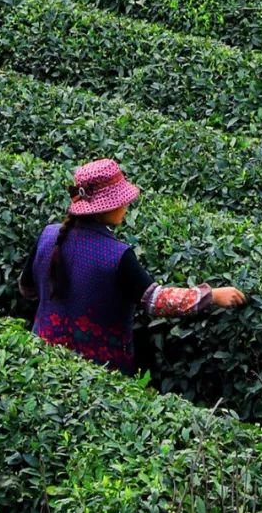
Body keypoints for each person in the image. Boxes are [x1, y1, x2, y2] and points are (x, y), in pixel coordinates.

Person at [18, 158, 245, 374]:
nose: (127, 204)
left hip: (43, 355)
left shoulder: (48, 235)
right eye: (122, 200)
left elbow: (27, 289)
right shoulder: (117, 255)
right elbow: (157, 301)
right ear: (106, 207)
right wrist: (211, 295)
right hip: (98, 370)